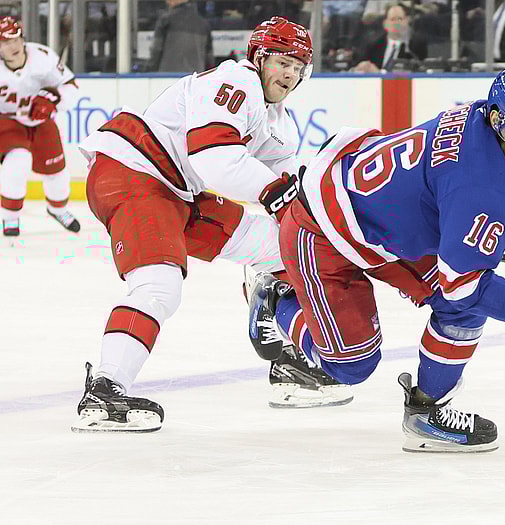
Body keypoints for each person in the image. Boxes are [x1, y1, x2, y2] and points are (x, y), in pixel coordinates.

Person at [265, 65, 505, 452]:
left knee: (462, 308)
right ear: (498, 120)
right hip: (321, 227)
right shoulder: (481, 190)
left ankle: (426, 412)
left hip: (377, 217)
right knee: (351, 366)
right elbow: (463, 285)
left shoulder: (480, 113)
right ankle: (274, 299)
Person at [71, 16, 350, 433]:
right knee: (159, 286)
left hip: (176, 192)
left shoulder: (277, 121)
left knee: (287, 247)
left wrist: (322, 219)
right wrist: (278, 195)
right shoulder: (236, 81)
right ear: (259, 58)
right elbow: (214, 157)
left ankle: (288, 363)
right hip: (134, 174)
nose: (290, 74)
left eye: (298, 67)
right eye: (282, 62)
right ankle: (105, 390)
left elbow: (289, 190)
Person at [0, 16, 81, 237]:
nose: (13, 46)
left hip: (41, 121)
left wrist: (52, 100)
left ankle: (58, 209)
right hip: (8, 121)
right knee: (17, 161)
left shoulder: (42, 57)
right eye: (6, 42)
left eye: (16, 39)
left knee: (57, 170)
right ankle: (10, 216)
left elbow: (70, 86)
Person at [353, 3, 427, 72]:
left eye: (400, 19)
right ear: (385, 24)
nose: (397, 23)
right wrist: (361, 67)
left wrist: (379, 73)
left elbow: (417, 72)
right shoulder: (374, 43)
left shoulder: (415, 46)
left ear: (407, 21)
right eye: (392, 19)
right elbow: (356, 67)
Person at [148, 0, 214, 73]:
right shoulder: (204, 23)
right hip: (195, 75)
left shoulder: (165, 20)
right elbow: (209, 57)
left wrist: (150, 71)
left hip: (168, 75)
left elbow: (156, 49)